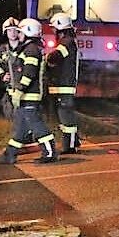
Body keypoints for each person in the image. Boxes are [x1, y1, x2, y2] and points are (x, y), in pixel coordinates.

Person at [0, 18, 57, 164]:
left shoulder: (31, 50)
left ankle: (49, 152)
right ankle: (10, 154)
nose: (17, 35)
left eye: (20, 31)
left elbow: (29, 74)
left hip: (29, 95)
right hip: (26, 95)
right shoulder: (29, 48)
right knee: (21, 128)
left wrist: (19, 90)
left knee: (36, 124)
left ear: (27, 32)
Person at [46, 13, 80, 155]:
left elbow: (55, 57)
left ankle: (70, 146)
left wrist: (46, 56)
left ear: (60, 28)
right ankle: (73, 141)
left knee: (66, 115)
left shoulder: (66, 42)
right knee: (63, 114)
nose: (53, 31)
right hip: (62, 84)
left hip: (64, 84)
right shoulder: (68, 41)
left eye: (54, 28)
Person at [0, 17, 21, 119]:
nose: (12, 33)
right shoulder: (2, 50)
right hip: (10, 89)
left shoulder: (25, 48)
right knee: (11, 116)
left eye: (15, 30)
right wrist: (2, 75)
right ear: (6, 32)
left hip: (24, 89)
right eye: (9, 30)